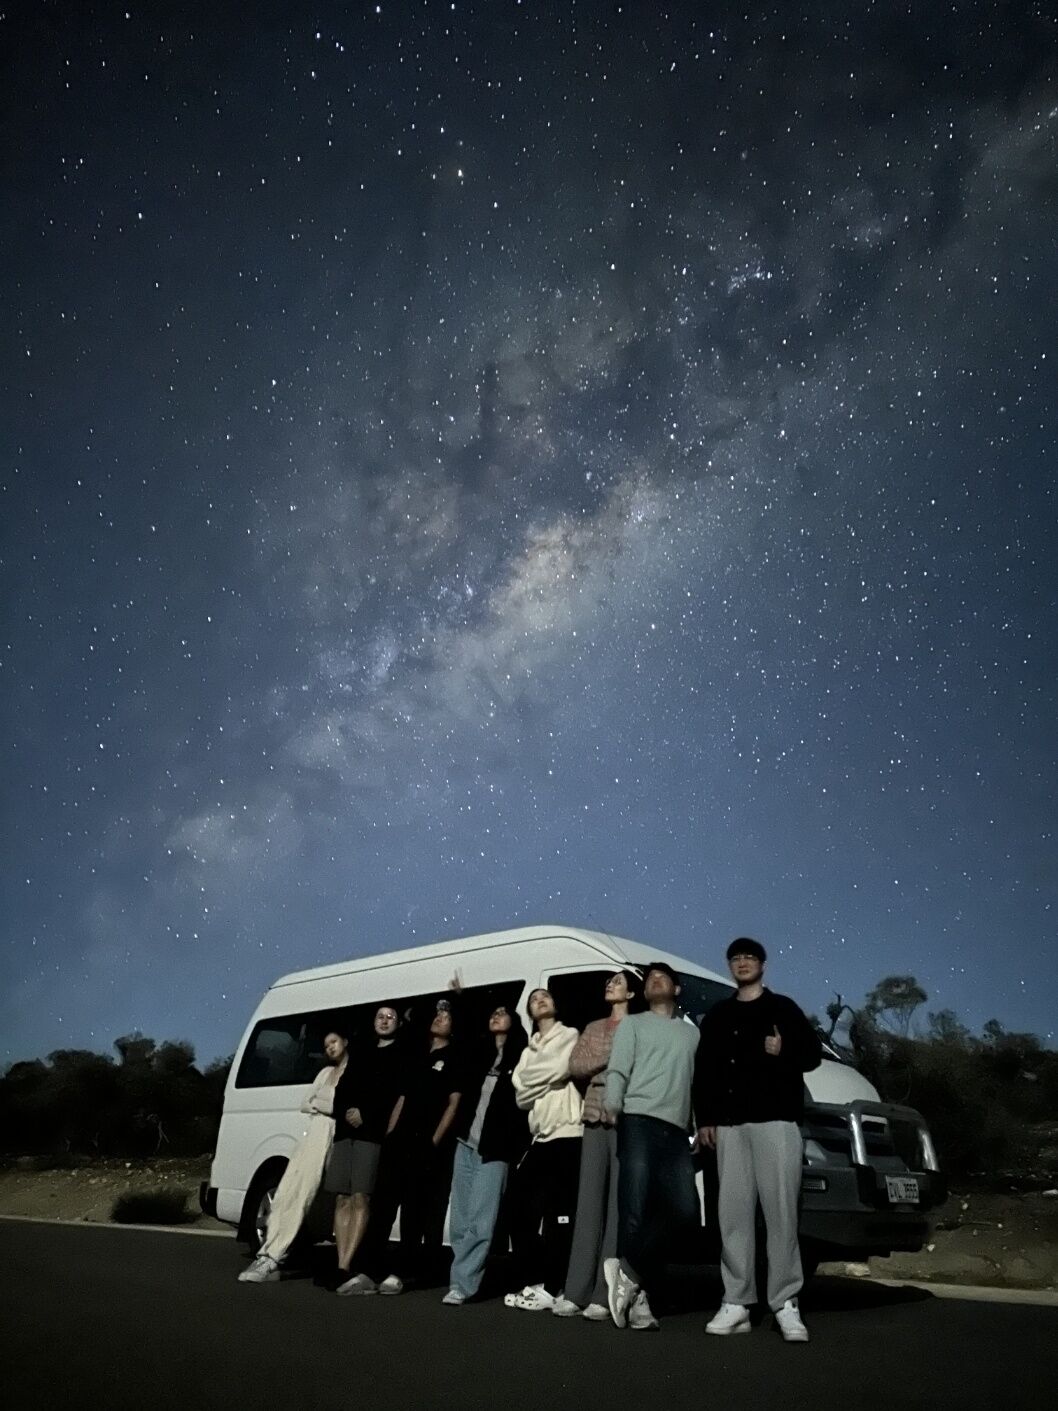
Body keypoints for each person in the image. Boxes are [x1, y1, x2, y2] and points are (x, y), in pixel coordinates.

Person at [694, 937, 823, 1342]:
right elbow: (705, 1072)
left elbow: (812, 1055)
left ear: (763, 965)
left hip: (776, 1122)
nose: (743, 963)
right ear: (730, 966)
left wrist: (785, 1049)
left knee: (781, 1214)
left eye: (750, 957)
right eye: (736, 958)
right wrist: (706, 1120)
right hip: (730, 1126)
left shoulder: (782, 1008)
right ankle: (736, 1302)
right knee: (732, 1216)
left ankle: (785, 1302)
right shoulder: (717, 1015)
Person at [602, 961, 700, 1331]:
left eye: (665, 978)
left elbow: (696, 1083)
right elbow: (619, 1067)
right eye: (651, 979)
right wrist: (613, 1103)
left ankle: (626, 1271)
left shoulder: (691, 1035)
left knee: (685, 1212)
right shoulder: (634, 1024)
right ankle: (641, 1298)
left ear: (676, 989)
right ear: (644, 992)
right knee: (636, 1208)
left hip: (676, 1130)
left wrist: (701, 1124)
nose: (656, 981)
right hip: (638, 1120)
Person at [352, 997, 463, 1293]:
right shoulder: (417, 1055)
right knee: (383, 1208)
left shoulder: (454, 1056)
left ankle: (400, 1273)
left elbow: (454, 1103)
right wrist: (390, 1134)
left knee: (414, 1211)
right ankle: (368, 1270)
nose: (440, 1019)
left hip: (424, 1143)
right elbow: (402, 1097)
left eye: (446, 1017)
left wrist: (434, 1141)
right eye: (436, 1015)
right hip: (398, 1140)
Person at [551, 970, 639, 1321]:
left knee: (618, 1205)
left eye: (617, 982)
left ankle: (605, 1296)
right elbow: (577, 1065)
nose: (610, 985)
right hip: (593, 1116)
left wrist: (605, 1069)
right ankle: (576, 1291)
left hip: (626, 1116)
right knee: (587, 1203)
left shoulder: (640, 1027)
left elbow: (639, 1069)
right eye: (608, 982)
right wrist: (611, 1061)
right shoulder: (592, 1027)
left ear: (631, 993)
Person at [239, 1028, 349, 1283]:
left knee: (314, 1197)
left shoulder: (351, 1072)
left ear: (345, 1041)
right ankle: (269, 1254)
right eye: (326, 1045)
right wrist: (325, 1102)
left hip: (333, 1135)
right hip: (313, 1135)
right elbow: (305, 1103)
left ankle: (279, 1254)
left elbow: (337, 1105)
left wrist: (321, 1102)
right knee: (290, 1190)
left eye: (334, 1041)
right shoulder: (325, 1073)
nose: (330, 1047)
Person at [443, 1002, 529, 1305]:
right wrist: (462, 998)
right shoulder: (479, 1054)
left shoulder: (520, 1057)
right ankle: (460, 1276)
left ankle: (464, 1285)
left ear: (515, 1022)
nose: (495, 1014)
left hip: (496, 1149)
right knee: (459, 1219)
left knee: (482, 1219)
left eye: (502, 1012)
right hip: (466, 1142)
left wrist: (514, 1147)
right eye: (493, 1012)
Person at [504, 988, 583, 1312]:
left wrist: (532, 1080)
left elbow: (563, 1068)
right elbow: (520, 1097)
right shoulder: (528, 1049)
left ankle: (554, 1287)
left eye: (546, 996)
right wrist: (542, 1077)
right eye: (534, 998)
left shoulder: (570, 1034)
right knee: (517, 1210)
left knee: (559, 1214)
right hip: (539, 1138)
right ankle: (539, 1279)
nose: (540, 999)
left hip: (568, 1134)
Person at [325, 1003, 407, 1295]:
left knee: (361, 1197)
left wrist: (367, 1116)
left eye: (390, 1017)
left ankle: (349, 1262)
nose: (384, 1021)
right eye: (380, 1017)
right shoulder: (361, 1050)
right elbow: (344, 1085)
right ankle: (341, 1263)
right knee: (342, 1198)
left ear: (398, 1024)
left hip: (371, 1134)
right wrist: (347, 1111)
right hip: (346, 1131)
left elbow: (393, 1095)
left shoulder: (400, 1054)